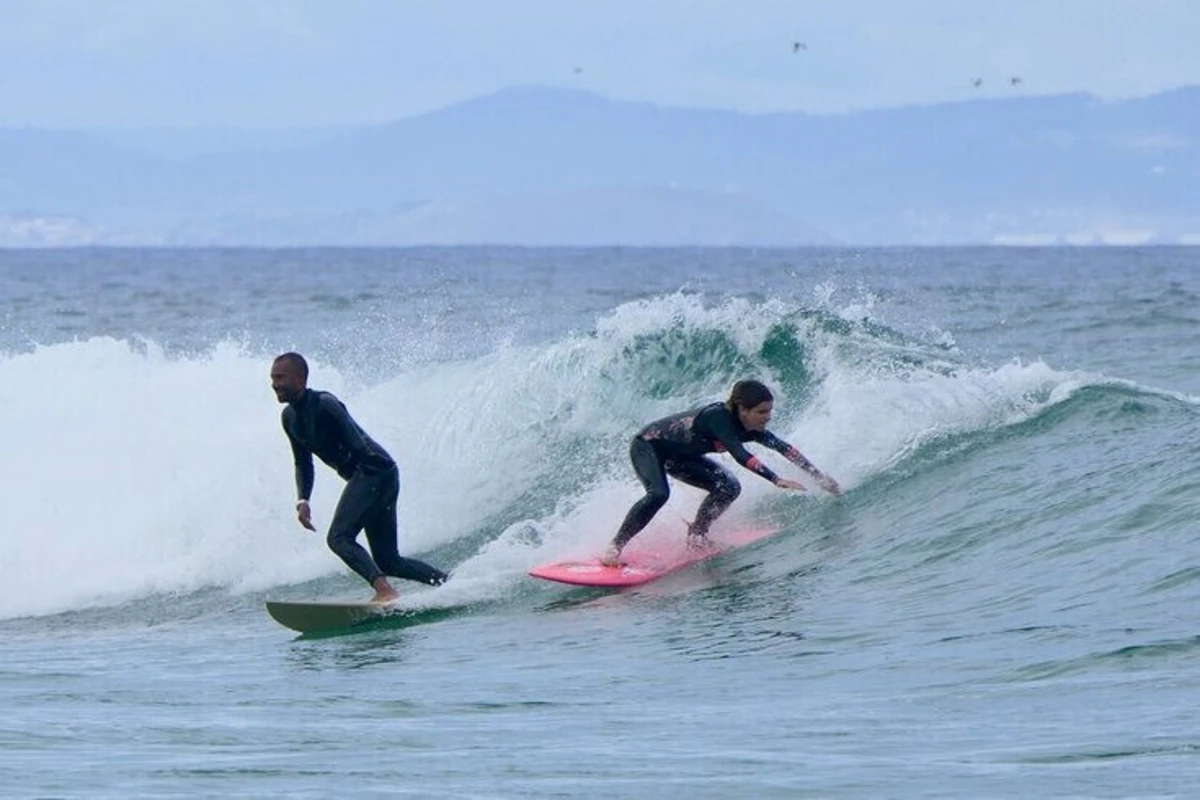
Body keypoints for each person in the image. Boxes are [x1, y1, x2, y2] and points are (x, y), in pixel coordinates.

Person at [603, 379, 841, 566]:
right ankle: (615, 547)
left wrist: (819, 477)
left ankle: (697, 536)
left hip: (680, 458)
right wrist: (775, 479)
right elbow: (739, 454)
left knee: (728, 487)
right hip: (648, 447)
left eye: (769, 411)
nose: (767, 417)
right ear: (742, 409)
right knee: (658, 494)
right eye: (761, 412)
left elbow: (784, 448)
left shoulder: (749, 427)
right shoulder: (718, 417)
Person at [270, 352, 448, 602]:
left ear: (300, 378)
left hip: (374, 471)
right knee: (388, 560)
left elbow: (356, 442)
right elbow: (303, 462)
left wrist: (370, 477)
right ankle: (447, 582)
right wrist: (303, 500)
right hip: (377, 475)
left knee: (339, 537)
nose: (275, 384)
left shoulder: (325, 404)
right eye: (273, 378)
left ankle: (384, 590)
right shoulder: (289, 418)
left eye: (280, 378)